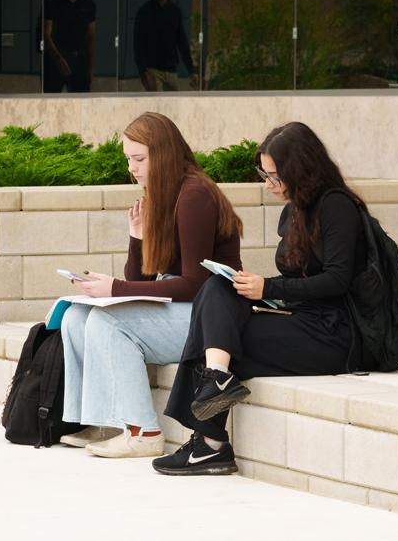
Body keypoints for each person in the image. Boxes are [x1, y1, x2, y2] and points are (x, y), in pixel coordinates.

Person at [153, 122, 366, 476]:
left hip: (336, 333)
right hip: (302, 318)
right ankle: (216, 382)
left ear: (300, 171)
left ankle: (210, 444)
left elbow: (337, 281)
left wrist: (268, 289)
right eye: (264, 175)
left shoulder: (337, 206)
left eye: (274, 177)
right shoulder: (296, 210)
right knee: (218, 288)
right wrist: (256, 286)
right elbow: (298, 278)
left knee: (221, 336)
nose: (268, 185)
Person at [58, 112, 244, 458]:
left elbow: (195, 284)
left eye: (139, 159)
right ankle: (103, 422)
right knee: (74, 319)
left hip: (209, 317)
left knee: (107, 321)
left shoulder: (194, 195)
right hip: (182, 309)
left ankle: (144, 432)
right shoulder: (161, 195)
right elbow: (140, 280)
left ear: (164, 154)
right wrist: (136, 238)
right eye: (129, 159)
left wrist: (115, 290)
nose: (133, 168)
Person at [133, 0, 197, 92]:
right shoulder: (145, 12)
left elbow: (182, 42)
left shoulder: (175, 11)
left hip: (171, 68)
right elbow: (138, 43)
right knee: (156, 104)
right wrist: (142, 70)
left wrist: (191, 71)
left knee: (173, 106)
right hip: (153, 68)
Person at [42, 0, 96, 93]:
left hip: (79, 60)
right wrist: (58, 58)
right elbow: (45, 33)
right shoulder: (52, 1)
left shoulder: (88, 4)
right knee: (51, 103)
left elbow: (91, 36)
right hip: (55, 60)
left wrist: (90, 68)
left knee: (82, 104)